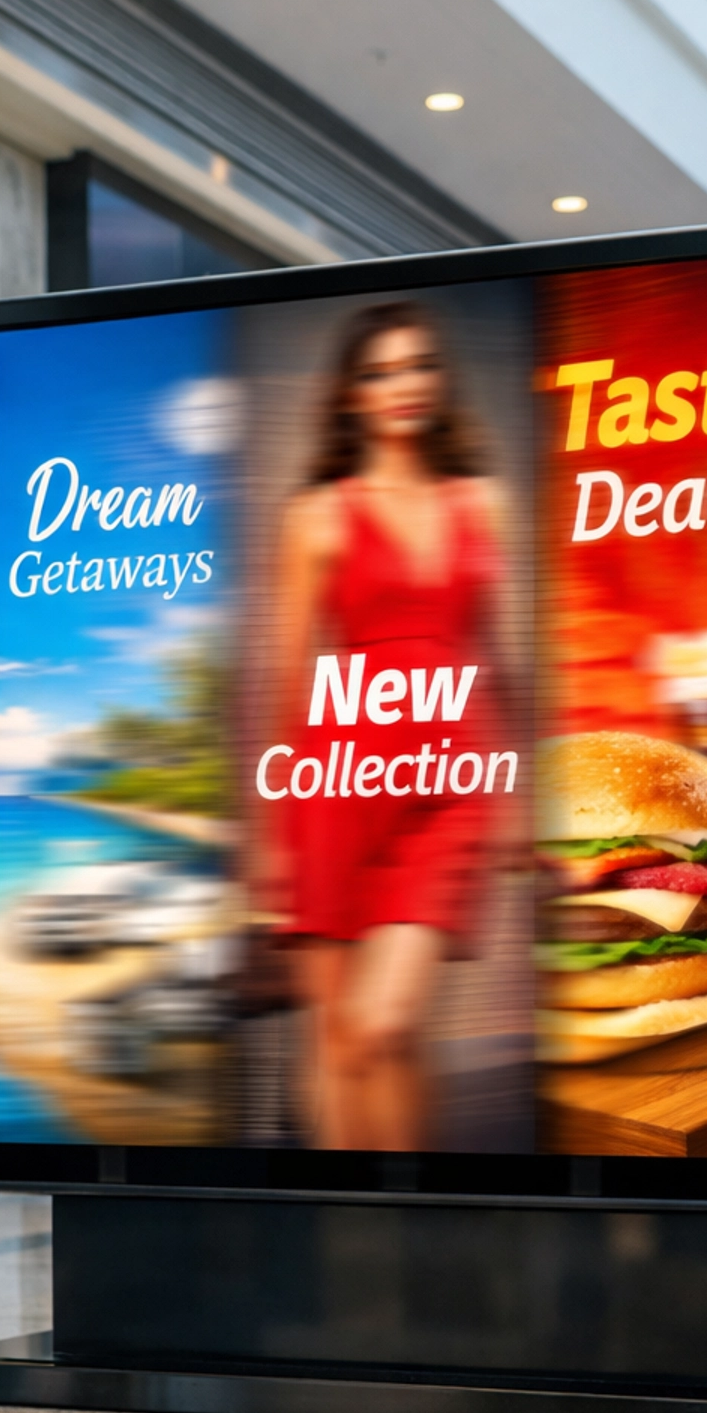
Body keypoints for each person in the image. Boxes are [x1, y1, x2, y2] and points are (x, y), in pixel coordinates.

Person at [264, 301, 515, 1150]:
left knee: (383, 1018)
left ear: (440, 382)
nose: (402, 386)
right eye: (379, 372)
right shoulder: (320, 515)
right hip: (339, 785)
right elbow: (292, 682)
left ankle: (390, 1231)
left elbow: (506, 662)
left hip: (451, 786)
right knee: (352, 1039)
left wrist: (518, 798)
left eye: (417, 366)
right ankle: (371, 1241)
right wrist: (275, 837)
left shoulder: (483, 504)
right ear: (350, 396)